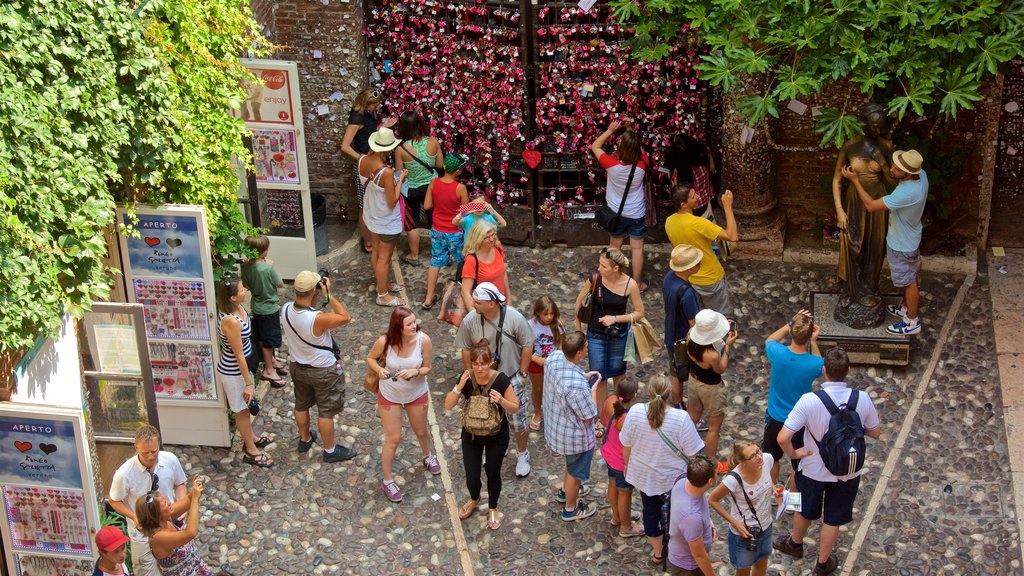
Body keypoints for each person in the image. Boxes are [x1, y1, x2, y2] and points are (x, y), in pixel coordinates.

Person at [773, 348, 881, 576]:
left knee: (804, 509)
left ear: (824, 371)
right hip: (848, 471)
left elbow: (782, 437)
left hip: (813, 469)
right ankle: (822, 564)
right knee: (833, 518)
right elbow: (875, 432)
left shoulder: (809, 401)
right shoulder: (862, 398)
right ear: (848, 371)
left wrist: (794, 454)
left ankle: (795, 544)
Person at [620, 376, 705, 567]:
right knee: (677, 515)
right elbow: (693, 452)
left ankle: (658, 553)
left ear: (649, 392)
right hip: (674, 480)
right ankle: (678, 551)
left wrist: (627, 464)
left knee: (650, 512)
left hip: (645, 476)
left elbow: (626, 442)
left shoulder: (635, 412)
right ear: (670, 394)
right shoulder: (680, 418)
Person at [841, 148, 928, 335]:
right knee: (908, 276)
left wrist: (855, 180)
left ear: (909, 174)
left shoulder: (906, 193)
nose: (893, 169)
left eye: (898, 169)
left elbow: (872, 206)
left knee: (909, 282)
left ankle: (912, 322)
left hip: (902, 244)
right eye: (895, 165)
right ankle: (905, 307)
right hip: (910, 236)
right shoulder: (922, 176)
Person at [454, 282, 535, 477]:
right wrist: (469, 374)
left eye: (478, 302)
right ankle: (498, 446)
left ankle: (523, 453)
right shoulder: (471, 320)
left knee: (517, 419)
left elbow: (527, 344)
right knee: (486, 415)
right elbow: (465, 348)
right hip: (483, 378)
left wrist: (523, 373)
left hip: (510, 374)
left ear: (492, 303)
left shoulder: (514, 318)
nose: (473, 305)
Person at [280, 270, 358, 463]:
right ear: (315, 291)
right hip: (323, 370)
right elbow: (344, 317)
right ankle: (330, 451)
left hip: (298, 367)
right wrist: (328, 294)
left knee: (301, 403)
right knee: (326, 411)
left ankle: (305, 439)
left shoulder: (286, 309)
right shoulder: (317, 318)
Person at [444, 340, 520, 530]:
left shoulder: (501, 380)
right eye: (475, 364)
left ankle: (493, 507)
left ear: (491, 362)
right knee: (471, 475)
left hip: (496, 435)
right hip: (471, 434)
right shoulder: (467, 378)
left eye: (483, 364)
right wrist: (459, 387)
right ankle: (475, 498)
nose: (479, 369)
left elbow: (515, 408)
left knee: (493, 473)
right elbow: (448, 405)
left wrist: (501, 400)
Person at [366, 307, 440, 502]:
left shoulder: (424, 340)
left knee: (422, 431)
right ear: (398, 327)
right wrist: (379, 370)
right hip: (390, 394)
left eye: (414, 322)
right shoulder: (385, 342)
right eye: (409, 324)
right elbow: (371, 359)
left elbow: (428, 367)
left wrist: (415, 372)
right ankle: (388, 480)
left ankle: (427, 455)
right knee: (393, 438)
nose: (414, 326)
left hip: (416, 392)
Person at [831, 103, 894, 327]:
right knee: (851, 245)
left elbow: (893, 181)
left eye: (881, 127)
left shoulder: (885, 146)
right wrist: (840, 210)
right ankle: (850, 290)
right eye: (873, 126)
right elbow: (837, 179)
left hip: (877, 204)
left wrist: (883, 159)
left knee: (874, 247)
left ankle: (869, 287)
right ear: (865, 123)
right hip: (854, 203)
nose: (877, 131)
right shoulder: (851, 146)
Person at [574, 248, 644, 438]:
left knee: (619, 375)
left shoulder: (629, 285)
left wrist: (615, 318)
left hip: (618, 336)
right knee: (600, 377)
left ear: (615, 268)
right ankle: (602, 419)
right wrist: (580, 331)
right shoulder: (595, 279)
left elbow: (639, 312)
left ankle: (619, 413)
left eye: (603, 266)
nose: (599, 268)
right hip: (595, 336)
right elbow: (579, 304)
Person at [108, 426, 188, 576]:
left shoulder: (170, 459)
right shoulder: (124, 474)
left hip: (170, 526)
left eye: (154, 451)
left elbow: (179, 483)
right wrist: (134, 516)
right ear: (136, 448)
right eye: (145, 453)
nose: (151, 457)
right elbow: (113, 501)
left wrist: (182, 504)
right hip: (142, 536)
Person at [215, 278, 274, 468]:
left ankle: (252, 437)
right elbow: (238, 355)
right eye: (242, 290)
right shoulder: (231, 321)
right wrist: (248, 383)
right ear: (232, 297)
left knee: (246, 408)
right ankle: (250, 449)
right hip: (235, 373)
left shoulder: (237, 308)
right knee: (241, 410)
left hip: (243, 369)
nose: (246, 290)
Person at [542, 331, 600, 521]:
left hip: (557, 428)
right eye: (585, 347)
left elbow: (566, 373)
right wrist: (593, 389)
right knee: (575, 471)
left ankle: (565, 493)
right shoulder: (576, 386)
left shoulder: (554, 357)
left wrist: (584, 376)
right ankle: (570, 508)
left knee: (570, 464)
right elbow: (589, 415)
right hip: (575, 436)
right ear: (579, 353)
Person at [762, 310, 823, 488]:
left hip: (775, 416)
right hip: (798, 420)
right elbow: (821, 366)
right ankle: (793, 499)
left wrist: (790, 323)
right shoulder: (814, 364)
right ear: (810, 334)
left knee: (772, 457)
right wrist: (814, 341)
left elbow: (770, 340)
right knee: (798, 463)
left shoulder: (777, 353)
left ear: (790, 333)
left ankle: (774, 491)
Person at [590, 121, 650, 290]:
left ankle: (610, 282)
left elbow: (595, 146)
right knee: (637, 248)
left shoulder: (612, 165)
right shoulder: (643, 163)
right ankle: (637, 284)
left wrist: (610, 130)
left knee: (615, 247)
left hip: (617, 213)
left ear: (621, 149)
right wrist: (631, 131)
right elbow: (641, 152)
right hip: (637, 212)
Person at [665, 183, 738, 316]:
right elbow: (732, 236)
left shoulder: (669, 221)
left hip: (688, 277)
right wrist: (727, 207)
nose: (698, 197)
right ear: (683, 204)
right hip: (710, 278)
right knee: (719, 317)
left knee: (698, 316)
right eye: (693, 197)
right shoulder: (699, 224)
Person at [709, 440, 778, 576]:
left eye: (758, 450)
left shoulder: (767, 459)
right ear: (742, 461)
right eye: (752, 456)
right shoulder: (733, 480)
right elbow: (712, 499)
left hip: (766, 526)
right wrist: (736, 524)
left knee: (761, 566)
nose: (759, 456)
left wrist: (774, 490)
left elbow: (768, 481)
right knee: (743, 571)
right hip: (744, 534)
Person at [360, 126, 407, 307]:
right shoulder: (386, 172)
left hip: (371, 214)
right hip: (385, 220)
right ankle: (383, 295)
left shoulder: (362, 160)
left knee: (377, 252)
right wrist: (400, 178)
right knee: (384, 258)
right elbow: (392, 201)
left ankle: (383, 283)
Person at [341, 89, 391, 253]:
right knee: (365, 205)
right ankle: (368, 242)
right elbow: (345, 146)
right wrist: (361, 158)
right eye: (374, 104)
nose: (377, 107)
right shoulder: (356, 118)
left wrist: (382, 127)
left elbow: (367, 136)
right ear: (365, 103)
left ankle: (373, 238)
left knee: (372, 202)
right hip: (364, 165)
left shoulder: (367, 114)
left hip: (370, 161)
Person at [686, 309, 737, 468]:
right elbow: (720, 369)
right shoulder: (712, 355)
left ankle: (688, 454)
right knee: (713, 429)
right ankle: (710, 463)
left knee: (691, 419)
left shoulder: (689, 338)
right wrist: (728, 346)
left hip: (693, 381)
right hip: (711, 389)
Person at [421, 152, 471, 309]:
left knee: (435, 261)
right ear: (458, 171)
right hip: (455, 231)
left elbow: (427, 205)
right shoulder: (460, 188)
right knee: (461, 262)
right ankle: (462, 296)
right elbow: (466, 211)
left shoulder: (433, 182)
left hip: (437, 230)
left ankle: (429, 298)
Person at [134, 476, 212, 576]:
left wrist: (196, 487)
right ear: (156, 514)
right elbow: (190, 533)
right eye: (164, 504)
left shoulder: (165, 520)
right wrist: (195, 500)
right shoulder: (158, 537)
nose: (170, 503)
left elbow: (188, 499)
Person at [394, 110, 443, 267]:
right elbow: (440, 165)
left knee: (412, 222)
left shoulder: (401, 149)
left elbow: (399, 173)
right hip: (432, 186)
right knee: (435, 219)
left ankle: (414, 255)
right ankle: (440, 253)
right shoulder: (433, 141)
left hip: (412, 189)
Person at [240, 235, 287, 387]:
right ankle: (268, 369)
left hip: (256, 306)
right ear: (263, 251)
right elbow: (280, 284)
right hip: (269, 308)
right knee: (269, 339)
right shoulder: (268, 267)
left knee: (260, 335)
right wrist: (270, 265)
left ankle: (271, 360)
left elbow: (246, 285)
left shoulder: (245, 266)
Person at [600, 378, 644, 537]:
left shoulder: (610, 401)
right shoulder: (627, 419)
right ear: (634, 395)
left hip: (609, 453)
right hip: (620, 461)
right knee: (625, 493)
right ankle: (626, 527)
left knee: (612, 485)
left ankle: (617, 516)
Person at [662, 244, 704, 408]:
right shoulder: (686, 293)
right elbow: (693, 324)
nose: (699, 264)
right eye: (696, 262)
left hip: (671, 334)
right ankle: (685, 408)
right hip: (684, 339)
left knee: (675, 372)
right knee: (691, 375)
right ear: (688, 268)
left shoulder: (668, 278)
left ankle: (678, 404)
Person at [667, 456, 718, 575]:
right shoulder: (691, 517)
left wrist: (708, 522)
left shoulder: (683, 482)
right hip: (689, 566)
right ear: (710, 481)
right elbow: (699, 555)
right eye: (717, 473)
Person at [527, 295, 563, 431]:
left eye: (551, 314)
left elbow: (560, 342)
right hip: (536, 362)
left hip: (553, 362)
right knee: (538, 389)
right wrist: (538, 360)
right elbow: (525, 348)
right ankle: (537, 412)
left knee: (554, 389)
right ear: (537, 313)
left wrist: (558, 356)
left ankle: (553, 413)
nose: (549, 317)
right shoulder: (530, 326)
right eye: (545, 314)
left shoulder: (557, 325)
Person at [665, 132, 716, 218]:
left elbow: (681, 192)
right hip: (708, 197)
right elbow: (712, 167)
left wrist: (673, 187)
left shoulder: (683, 169)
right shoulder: (704, 152)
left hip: (694, 204)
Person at [460, 220, 510, 306]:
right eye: (487, 237)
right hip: (485, 307)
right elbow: (465, 292)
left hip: (501, 302)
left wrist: (508, 300)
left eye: (493, 235)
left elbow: (503, 275)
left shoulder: (497, 247)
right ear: (478, 239)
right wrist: (475, 316)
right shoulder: (472, 260)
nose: (491, 239)